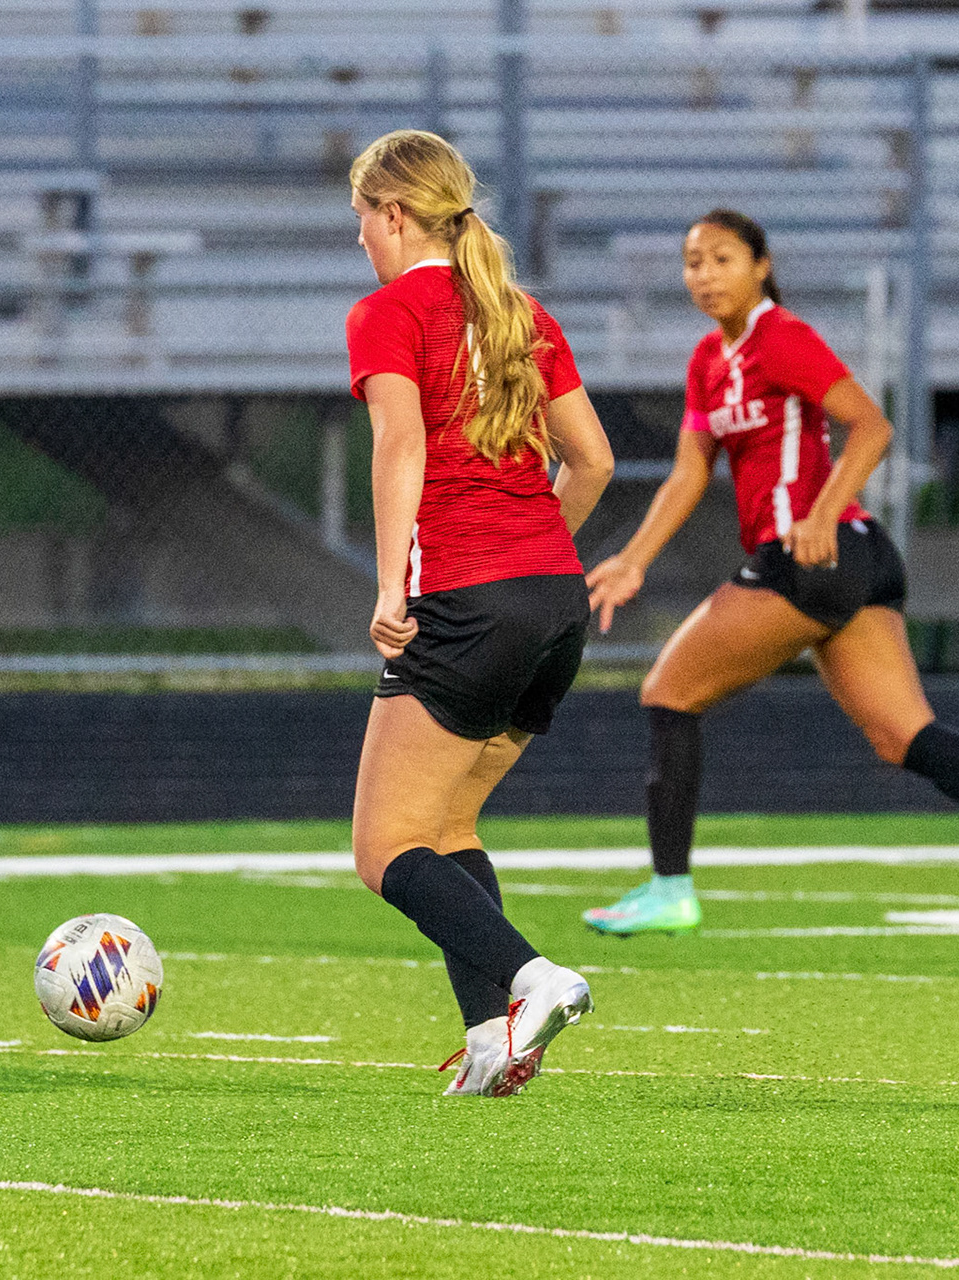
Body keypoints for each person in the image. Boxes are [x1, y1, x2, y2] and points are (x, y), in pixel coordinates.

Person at [580, 209, 959, 938]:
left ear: (761, 266)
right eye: (693, 262)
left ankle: (670, 889)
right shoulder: (708, 360)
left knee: (669, 692)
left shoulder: (781, 338)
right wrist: (633, 560)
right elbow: (688, 473)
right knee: (903, 736)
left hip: (812, 557)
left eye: (722, 259)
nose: (704, 275)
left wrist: (823, 512)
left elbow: (872, 425)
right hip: (851, 562)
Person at [344, 130, 616, 1098]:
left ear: (392, 213)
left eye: (361, 219)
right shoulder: (520, 311)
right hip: (555, 602)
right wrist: (531, 565)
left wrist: (391, 587)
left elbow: (399, 445)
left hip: (463, 603)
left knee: (383, 848)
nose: (361, 240)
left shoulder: (386, 312)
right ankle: (494, 1038)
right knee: (449, 820)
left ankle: (535, 979)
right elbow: (593, 460)